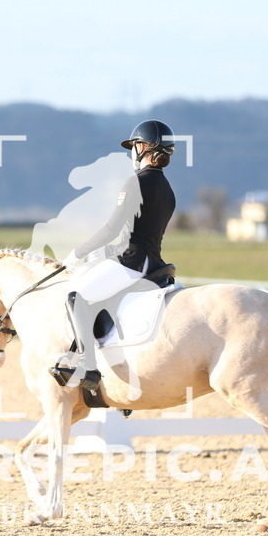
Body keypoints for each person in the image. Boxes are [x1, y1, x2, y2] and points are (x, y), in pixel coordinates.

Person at [56, 119, 178, 390]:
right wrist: (104, 253)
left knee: (76, 298)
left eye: (134, 145)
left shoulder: (136, 181)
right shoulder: (168, 189)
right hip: (153, 261)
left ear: (144, 147)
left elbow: (112, 228)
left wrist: (79, 251)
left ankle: (87, 367)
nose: (131, 151)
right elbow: (141, 232)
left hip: (133, 261)